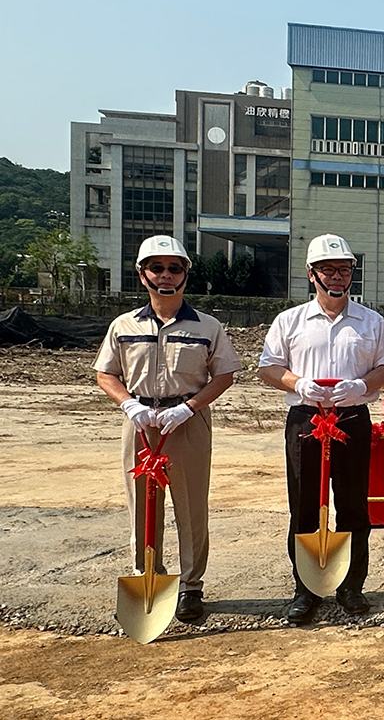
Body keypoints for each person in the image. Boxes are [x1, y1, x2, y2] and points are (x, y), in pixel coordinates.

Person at [93, 235, 239, 623]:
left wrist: (189, 408)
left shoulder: (207, 326)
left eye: (174, 268)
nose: (166, 275)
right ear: (142, 274)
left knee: (191, 506)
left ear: (185, 274)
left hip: (187, 420)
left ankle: (191, 586)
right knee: (142, 504)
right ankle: (149, 578)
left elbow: (224, 374)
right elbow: (105, 373)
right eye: (156, 268)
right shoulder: (124, 325)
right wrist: (128, 403)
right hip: (140, 422)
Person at [258, 234, 384, 623]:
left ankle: (351, 585)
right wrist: (297, 383)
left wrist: (362, 385)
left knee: (353, 505)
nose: (337, 276)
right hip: (306, 419)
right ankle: (306, 588)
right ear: (311, 273)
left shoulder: (370, 321)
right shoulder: (291, 321)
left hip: (351, 418)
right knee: (304, 505)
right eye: (328, 269)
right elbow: (269, 367)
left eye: (344, 269)